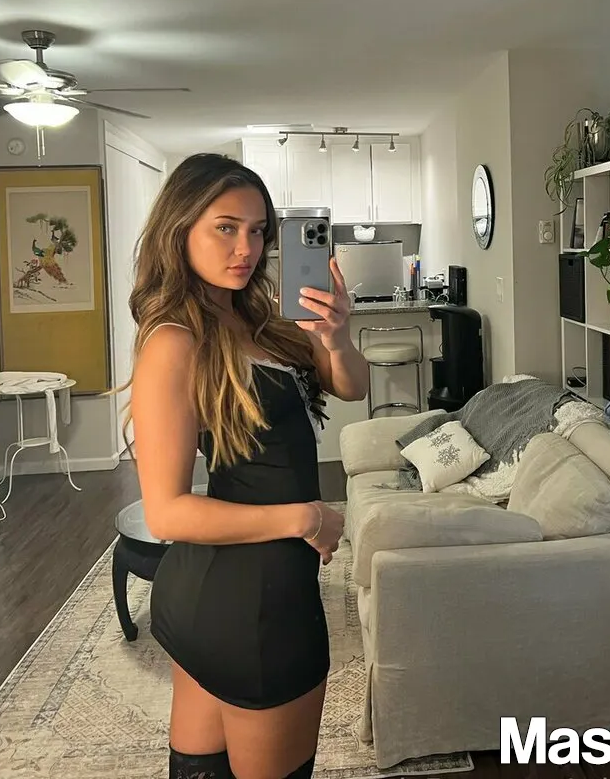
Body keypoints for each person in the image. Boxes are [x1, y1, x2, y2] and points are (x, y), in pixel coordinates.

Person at [125, 153, 369, 779]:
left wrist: (336, 336)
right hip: (252, 605)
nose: (246, 248)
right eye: (225, 228)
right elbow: (166, 512)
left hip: (231, 593)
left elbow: (350, 387)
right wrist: (306, 517)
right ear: (180, 229)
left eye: (258, 230)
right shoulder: (176, 341)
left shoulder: (257, 318)